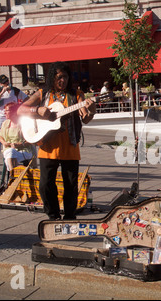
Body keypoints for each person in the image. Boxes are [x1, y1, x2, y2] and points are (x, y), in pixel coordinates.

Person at [18, 61, 96, 220]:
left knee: (71, 186)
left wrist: (92, 110)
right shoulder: (42, 94)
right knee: (46, 185)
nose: (63, 81)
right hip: (47, 146)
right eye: (59, 77)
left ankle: (69, 217)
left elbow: (85, 118)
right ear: (52, 78)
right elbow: (21, 110)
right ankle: (53, 216)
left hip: (69, 146)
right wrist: (38, 110)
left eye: (65, 77)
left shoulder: (76, 95)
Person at [0, 75, 28, 166]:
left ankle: (20, 155)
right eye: (3, 83)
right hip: (2, 116)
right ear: (0, 84)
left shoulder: (15, 91)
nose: (6, 84)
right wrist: (2, 92)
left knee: (18, 135)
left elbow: (26, 98)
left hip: (14, 116)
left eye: (7, 82)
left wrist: (22, 106)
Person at [0, 102, 33, 171]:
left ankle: (12, 174)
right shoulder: (5, 123)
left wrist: (19, 145)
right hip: (8, 149)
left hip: (23, 150)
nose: (4, 113)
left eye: (6, 111)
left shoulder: (24, 123)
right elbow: (0, 136)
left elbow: (31, 140)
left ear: (14, 112)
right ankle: (14, 174)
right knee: (10, 152)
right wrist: (4, 143)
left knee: (10, 154)